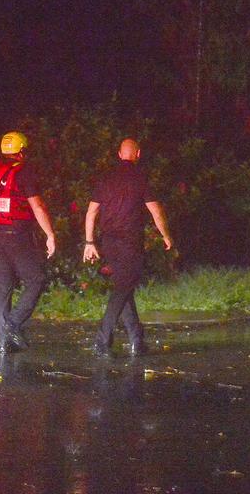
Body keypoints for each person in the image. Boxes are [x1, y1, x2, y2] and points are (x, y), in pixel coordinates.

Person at [83, 138, 173, 357]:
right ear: (138, 154)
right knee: (123, 288)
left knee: (124, 287)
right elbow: (155, 211)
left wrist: (89, 241)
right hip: (129, 243)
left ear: (118, 154)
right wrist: (166, 235)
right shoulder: (140, 178)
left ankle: (137, 340)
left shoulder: (105, 179)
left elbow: (91, 212)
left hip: (108, 242)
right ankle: (102, 340)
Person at [0, 131, 57, 354]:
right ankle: (12, 325)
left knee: (2, 289)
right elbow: (38, 207)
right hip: (17, 235)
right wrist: (50, 234)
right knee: (36, 279)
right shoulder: (25, 172)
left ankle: (5, 341)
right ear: (22, 151)